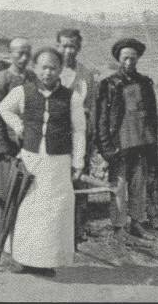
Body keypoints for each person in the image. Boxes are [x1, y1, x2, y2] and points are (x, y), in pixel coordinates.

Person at [0, 47, 85, 276]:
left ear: (60, 70)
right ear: (35, 69)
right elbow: (4, 108)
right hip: (31, 159)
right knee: (28, 209)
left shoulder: (72, 97)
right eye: (43, 67)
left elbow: (79, 131)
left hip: (58, 163)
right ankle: (23, 259)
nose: (48, 72)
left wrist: (78, 162)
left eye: (53, 68)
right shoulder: (22, 92)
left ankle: (47, 262)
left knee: (53, 211)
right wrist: (19, 127)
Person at [96, 38, 158, 241]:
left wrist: (152, 145)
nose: (129, 63)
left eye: (133, 58)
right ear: (118, 60)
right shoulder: (109, 84)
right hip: (119, 146)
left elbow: (152, 116)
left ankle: (137, 224)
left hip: (140, 143)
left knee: (139, 187)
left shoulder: (145, 83)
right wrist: (106, 148)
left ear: (138, 59)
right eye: (125, 59)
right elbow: (102, 120)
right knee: (119, 188)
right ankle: (119, 228)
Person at [56, 28, 97, 243]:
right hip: (56, 136)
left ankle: (77, 231)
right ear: (57, 46)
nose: (68, 51)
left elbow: (91, 107)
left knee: (79, 181)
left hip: (79, 136)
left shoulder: (86, 75)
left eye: (72, 46)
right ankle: (56, 232)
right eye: (64, 45)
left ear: (79, 48)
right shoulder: (51, 72)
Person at [0, 38, 36, 159]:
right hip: (10, 139)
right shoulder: (3, 78)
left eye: (28, 54)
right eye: (20, 53)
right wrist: (3, 145)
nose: (24, 58)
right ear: (10, 54)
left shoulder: (32, 76)